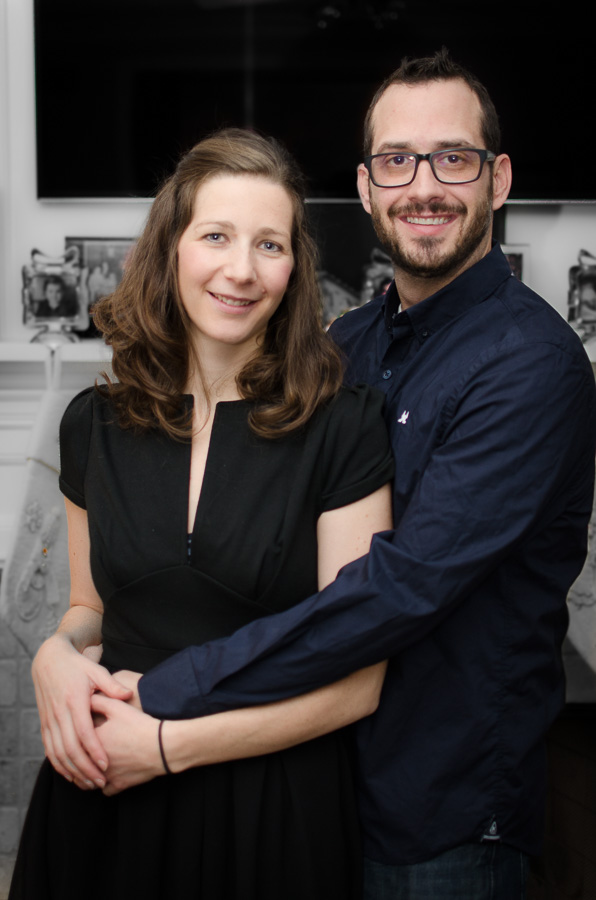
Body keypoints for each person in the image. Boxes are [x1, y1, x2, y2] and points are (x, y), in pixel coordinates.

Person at [123, 51, 596, 899]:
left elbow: (400, 589)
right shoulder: (348, 343)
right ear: (367, 186)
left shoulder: (534, 365)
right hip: (313, 781)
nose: (425, 186)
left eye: (454, 158)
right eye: (397, 160)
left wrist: (171, 689)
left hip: (440, 814)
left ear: (498, 179)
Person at [9, 128, 394, 900]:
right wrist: (54, 655)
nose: (241, 270)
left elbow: (357, 683)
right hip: (107, 801)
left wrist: (166, 747)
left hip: (270, 810)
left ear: (294, 269)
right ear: (171, 249)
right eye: (216, 236)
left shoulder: (345, 426)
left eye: (269, 245)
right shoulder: (93, 424)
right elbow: (89, 609)